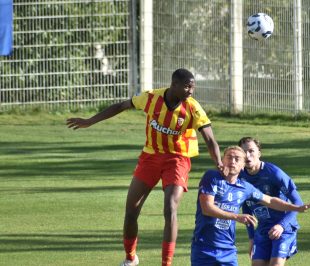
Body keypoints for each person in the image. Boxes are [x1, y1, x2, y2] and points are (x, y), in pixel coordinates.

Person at [66, 68, 224, 266]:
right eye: (187, 86)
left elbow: (210, 139)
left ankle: (166, 263)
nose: (191, 91)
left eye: (193, 87)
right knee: (131, 211)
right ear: (174, 85)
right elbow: (121, 105)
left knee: (170, 208)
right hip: (150, 157)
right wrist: (90, 121)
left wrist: (218, 161)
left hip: (177, 159)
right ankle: (130, 258)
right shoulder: (151, 98)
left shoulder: (193, 108)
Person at [191, 146, 310, 266]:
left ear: (243, 166)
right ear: (222, 160)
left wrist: (296, 207)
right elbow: (207, 208)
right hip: (204, 247)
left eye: (237, 159)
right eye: (229, 157)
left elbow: (270, 201)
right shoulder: (212, 177)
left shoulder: (245, 187)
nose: (233, 161)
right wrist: (236, 217)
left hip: (228, 250)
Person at [238, 136, 305, 266]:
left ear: (259, 153)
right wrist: (251, 238)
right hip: (263, 229)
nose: (247, 155)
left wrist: (282, 225)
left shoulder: (274, 173)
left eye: (251, 151)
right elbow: (246, 207)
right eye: (243, 152)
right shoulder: (240, 177)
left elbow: (298, 203)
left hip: (284, 228)